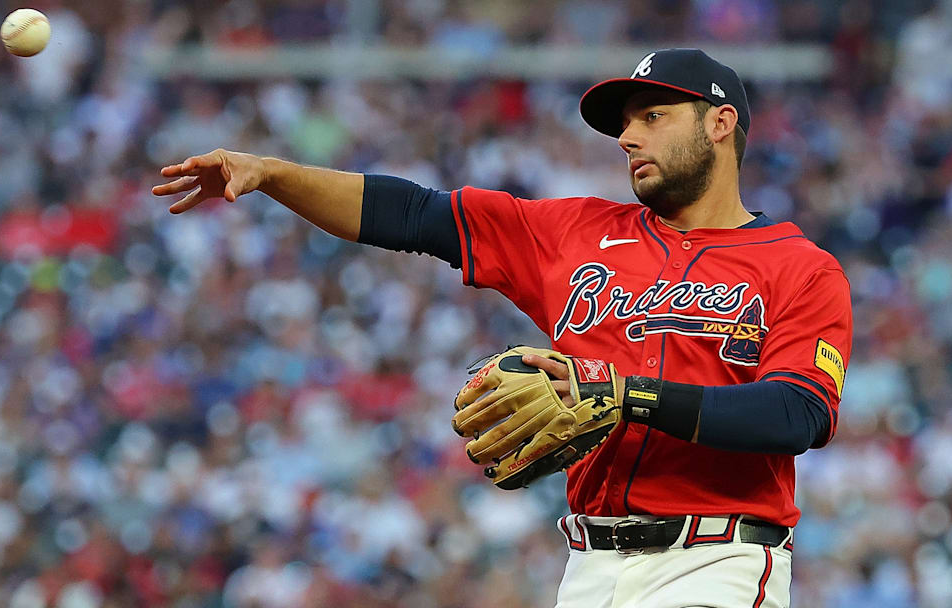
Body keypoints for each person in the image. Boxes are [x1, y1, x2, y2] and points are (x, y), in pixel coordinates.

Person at [152, 49, 852, 608]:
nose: (629, 136)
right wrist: (273, 174)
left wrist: (627, 394)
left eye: (652, 115)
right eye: (625, 124)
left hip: (717, 565)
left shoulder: (799, 268)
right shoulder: (575, 233)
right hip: (589, 570)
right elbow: (414, 215)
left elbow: (797, 413)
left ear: (720, 124)